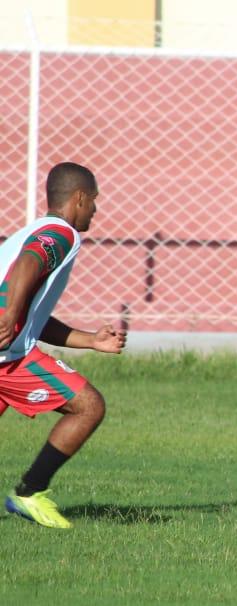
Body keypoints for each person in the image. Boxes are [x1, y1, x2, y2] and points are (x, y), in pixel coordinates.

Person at [1, 162, 126, 529]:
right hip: (9, 359)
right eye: (95, 202)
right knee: (88, 406)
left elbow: (33, 315)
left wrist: (90, 341)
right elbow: (30, 262)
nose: (96, 210)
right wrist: (8, 314)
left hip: (10, 351)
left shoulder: (32, 230)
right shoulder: (61, 233)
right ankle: (29, 492)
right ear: (80, 198)